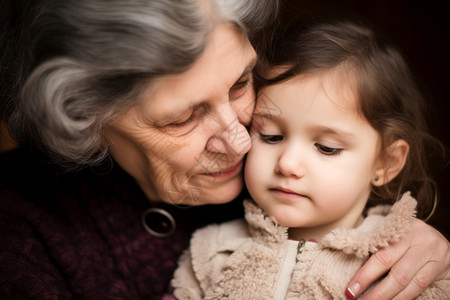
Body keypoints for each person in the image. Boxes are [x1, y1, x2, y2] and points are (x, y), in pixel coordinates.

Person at [0, 1, 448, 299]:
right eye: (182, 118)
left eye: (239, 84)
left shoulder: (291, 192)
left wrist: (422, 253)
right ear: (87, 119)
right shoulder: (19, 232)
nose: (241, 141)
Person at [171, 19, 450, 299]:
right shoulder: (210, 251)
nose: (287, 164)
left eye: (327, 148)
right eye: (270, 136)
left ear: (386, 164)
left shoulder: (407, 265)